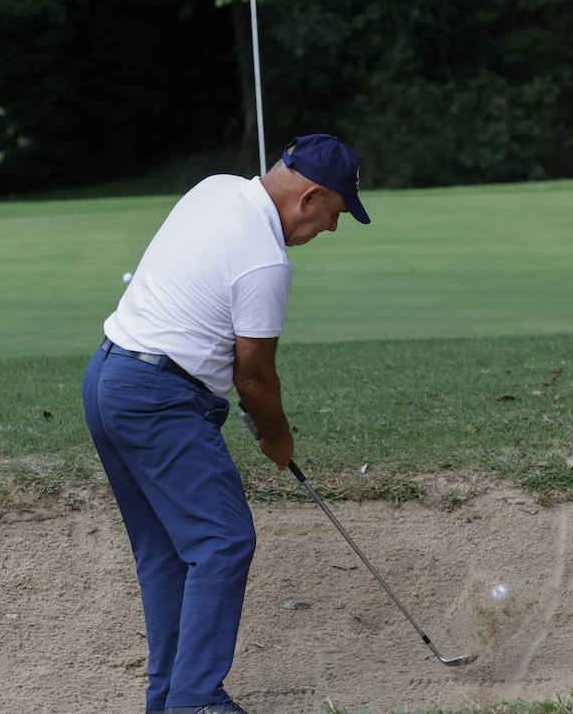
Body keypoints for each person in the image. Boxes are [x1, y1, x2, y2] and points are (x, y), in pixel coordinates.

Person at [82, 134, 370, 714]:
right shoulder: (267, 262)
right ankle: (196, 703)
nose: (332, 230)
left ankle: (168, 701)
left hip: (108, 379)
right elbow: (255, 378)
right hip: (159, 400)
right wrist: (277, 438)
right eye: (335, 215)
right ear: (309, 197)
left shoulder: (215, 189)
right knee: (223, 541)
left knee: (168, 554)